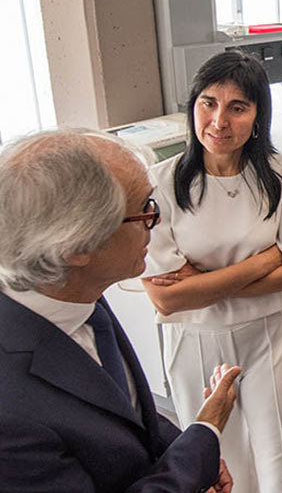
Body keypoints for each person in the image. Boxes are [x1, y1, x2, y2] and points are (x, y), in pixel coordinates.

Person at [0, 129, 241, 492]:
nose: (154, 221)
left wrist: (189, 456)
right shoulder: (11, 416)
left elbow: (127, 417)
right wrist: (206, 431)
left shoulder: (76, 291)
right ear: (78, 246)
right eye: (142, 209)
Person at [140, 51, 282, 493]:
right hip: (193, 341)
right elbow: (166, 298)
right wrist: (265, 260)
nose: (219, 120)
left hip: (269, 337)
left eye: (238, 107)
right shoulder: (160, 185)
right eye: (208, 103)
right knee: (217, 462)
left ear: (258, 118)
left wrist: (202, 282)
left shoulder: (281, 177)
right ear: (192, 108)